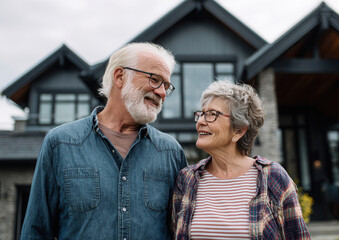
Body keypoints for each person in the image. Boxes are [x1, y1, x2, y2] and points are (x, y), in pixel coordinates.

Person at [21, 42, 188, 240]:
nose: (161, 93)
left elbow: (182, 231)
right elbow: (36, 231)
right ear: (120, 77)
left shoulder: (171, 152)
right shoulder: (60, 143)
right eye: (154, 80)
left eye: (166, 86)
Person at [171, 81, 310, 239]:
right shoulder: (186, 179)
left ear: (238, 131)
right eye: (201, 114)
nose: (201, 121)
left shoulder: (273, 177)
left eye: (212, 114)